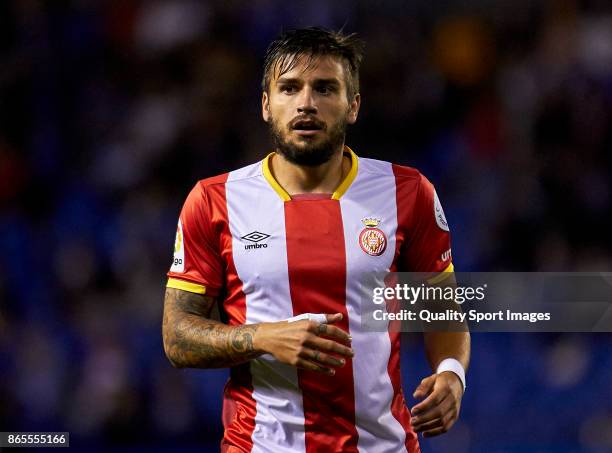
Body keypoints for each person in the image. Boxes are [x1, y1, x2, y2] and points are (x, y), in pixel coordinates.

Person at [162, 27, 470, 453]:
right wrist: (264, 338)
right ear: (267, 106)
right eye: (289, 88)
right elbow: (177, 336)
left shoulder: (409, 192)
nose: (306, 103)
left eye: (325, 88)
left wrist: (452, 371)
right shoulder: (214, 200)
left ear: (353, 105)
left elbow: (442, 308)